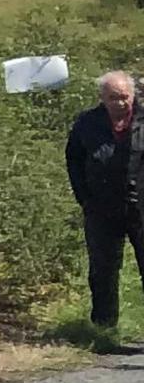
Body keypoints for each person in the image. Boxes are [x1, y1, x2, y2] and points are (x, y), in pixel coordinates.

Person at [70, 71, 138, 352]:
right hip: (101, 208)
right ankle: (104, 332)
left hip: (141, 205)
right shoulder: (87, 123)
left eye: (124, 97)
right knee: (103, 270)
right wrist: (85, 199)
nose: (120, 103)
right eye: (113, 98)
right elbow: (74, 160)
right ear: (102, 98)